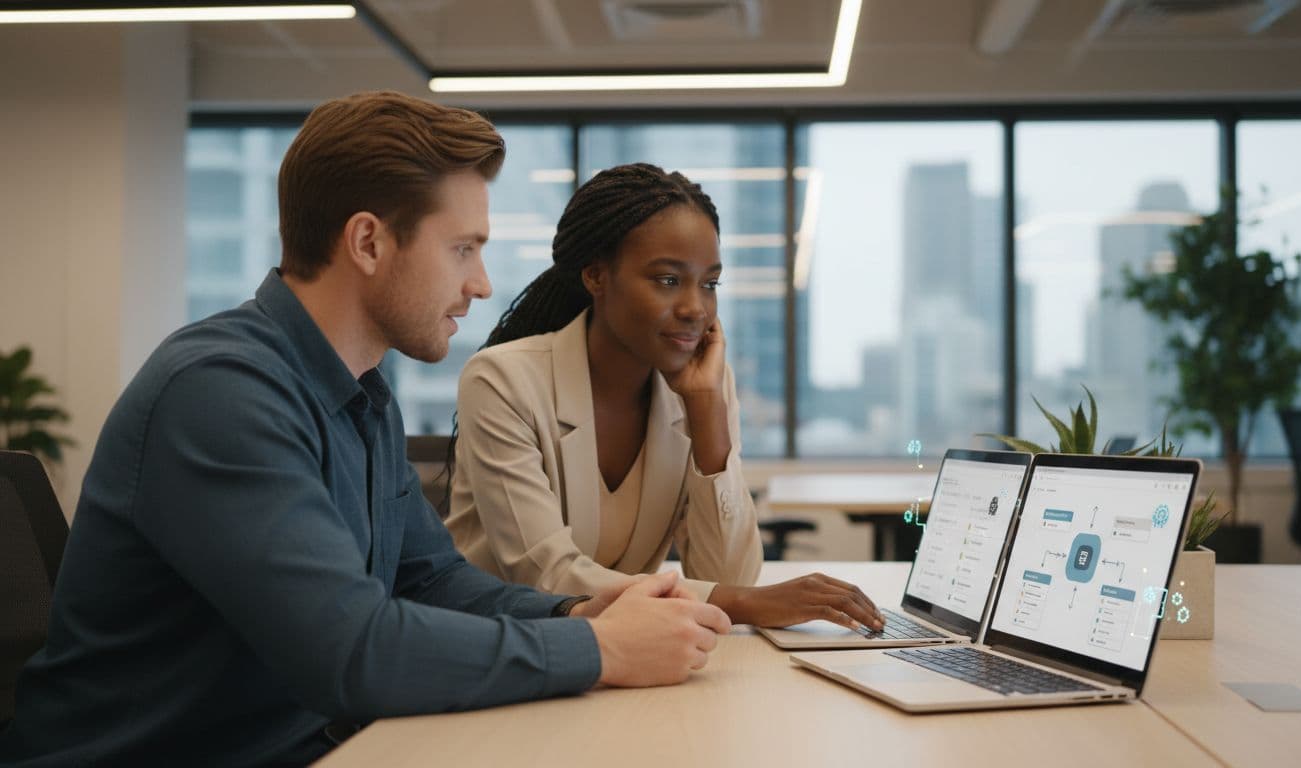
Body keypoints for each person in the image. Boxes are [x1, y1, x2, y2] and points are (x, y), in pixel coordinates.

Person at [0, 94, 730, 768]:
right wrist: (598, 648)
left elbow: (430, 579)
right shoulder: (220, 394)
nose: (480, 284)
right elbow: (351, 653)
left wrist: (579, 608)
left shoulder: (362, 394)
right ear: (369, 243)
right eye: (462, 249)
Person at [446, 163, 884, 632]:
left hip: (618, 652)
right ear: (596, 276)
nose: (696, 307)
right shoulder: (502, 380)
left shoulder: (703, 387)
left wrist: (708, 417)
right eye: (668, 280)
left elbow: (727, 579)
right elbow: (547, 577)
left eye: (710, 283)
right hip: (500, 649)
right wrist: (749, 603)